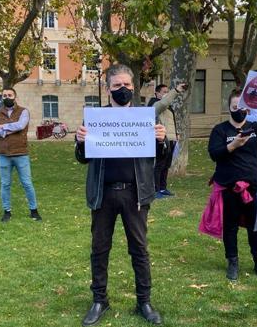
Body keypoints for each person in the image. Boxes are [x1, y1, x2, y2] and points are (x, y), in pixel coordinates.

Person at [75, 64, 168, 326]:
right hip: (102, 194)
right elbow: (82, 158)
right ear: (108, 89)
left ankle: (144, 301)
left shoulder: (146, 117)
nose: (123, 89)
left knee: (139, 249)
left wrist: (162, 140)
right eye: (117, 85)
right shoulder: (94, 118)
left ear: (133, 87)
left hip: (135, 194)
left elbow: (160, 158)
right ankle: (99, 300)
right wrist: (80, 141)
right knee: (99, 248)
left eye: (127, 85)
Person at [207, 89, 257, 281]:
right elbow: (214, 153)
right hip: (229, 187)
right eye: (234, 107)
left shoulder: (255, 128)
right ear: (229, 108)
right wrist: (233, 146)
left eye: (242, 107)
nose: (238, 110)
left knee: (255, 226)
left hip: (253, 186)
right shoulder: (220, 130)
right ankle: (232, 262)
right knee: (230, 226)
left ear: (248, 109)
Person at [0, 87, 41, 222]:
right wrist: (8, 130)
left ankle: (34, 210)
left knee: (27, 183)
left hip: (21, 153)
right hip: (4, 155)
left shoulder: (24, 111)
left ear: (15, 97)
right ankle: (7, 211)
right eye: (4, 95)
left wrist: (3, 127)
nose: (7, 97)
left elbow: (21, 126)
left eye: (10, 95)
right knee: (5, 184)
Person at [147, 83, 186, 199]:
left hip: (171, 140)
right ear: (157, 93)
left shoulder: (168, 108)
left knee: (166, 165)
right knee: (159, 165)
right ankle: (155, 189)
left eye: (167, 91)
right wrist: (176, 91)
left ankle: (163, 188)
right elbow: (164, 102)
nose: (166, 94)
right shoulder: (155, 104)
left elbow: (170, 122)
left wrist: (175, 134)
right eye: (164, 92)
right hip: (161, 140)